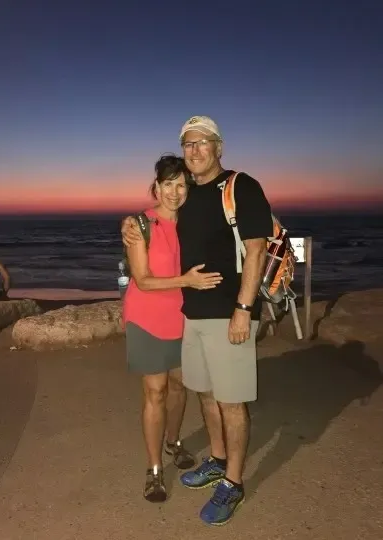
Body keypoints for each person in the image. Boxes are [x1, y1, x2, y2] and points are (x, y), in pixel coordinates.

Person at [122, 116, 273, 525]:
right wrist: (135, 224)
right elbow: (160, 231)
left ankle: (234, 482)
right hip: (191, 316)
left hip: (229, 315)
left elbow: (256, 251)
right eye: (188, 143)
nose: (195, 150)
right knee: (206, 393)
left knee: (231, 400)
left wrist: (243, 310)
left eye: (203, 142)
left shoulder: (241, 186)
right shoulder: (186, 199)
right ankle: (217, 459)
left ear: (219, 146)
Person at [123, 154, 223, 503]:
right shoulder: (140, 224)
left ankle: (173, 441)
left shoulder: (192, 223)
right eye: (169, 184)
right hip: (147, 318)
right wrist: (187, 280)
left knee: (181, 385)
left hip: (183, 317)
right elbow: (143, 281)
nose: (175, 191)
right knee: (156, 391)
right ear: (157, 187)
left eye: (182, 184)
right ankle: (153, 471)